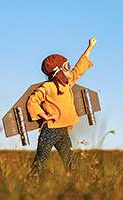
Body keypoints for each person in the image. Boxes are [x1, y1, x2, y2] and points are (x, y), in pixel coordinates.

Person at [26, 37, 97, 176]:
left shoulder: (67, 83)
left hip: (62, 131)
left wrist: (89, 48)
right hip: (50, 131)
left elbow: (79, 69)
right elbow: (32, 101)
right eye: (66, 67)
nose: (69, 70)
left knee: (71, 164)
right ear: (57, 71)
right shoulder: (48, 87)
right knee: (39, 163)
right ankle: (31, 185)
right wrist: (44, 115)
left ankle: (75, 185)